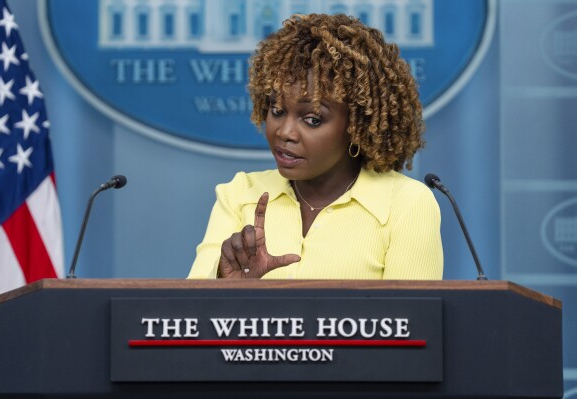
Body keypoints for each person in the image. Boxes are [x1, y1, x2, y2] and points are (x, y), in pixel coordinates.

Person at [188, 13, 443, 280]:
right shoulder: (240, 194)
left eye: (312, 119)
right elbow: (188, 316)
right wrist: (227, 285)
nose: (284, 132)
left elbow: (412, 320)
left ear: (357, 125)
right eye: (276, 110)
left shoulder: (405, 204)